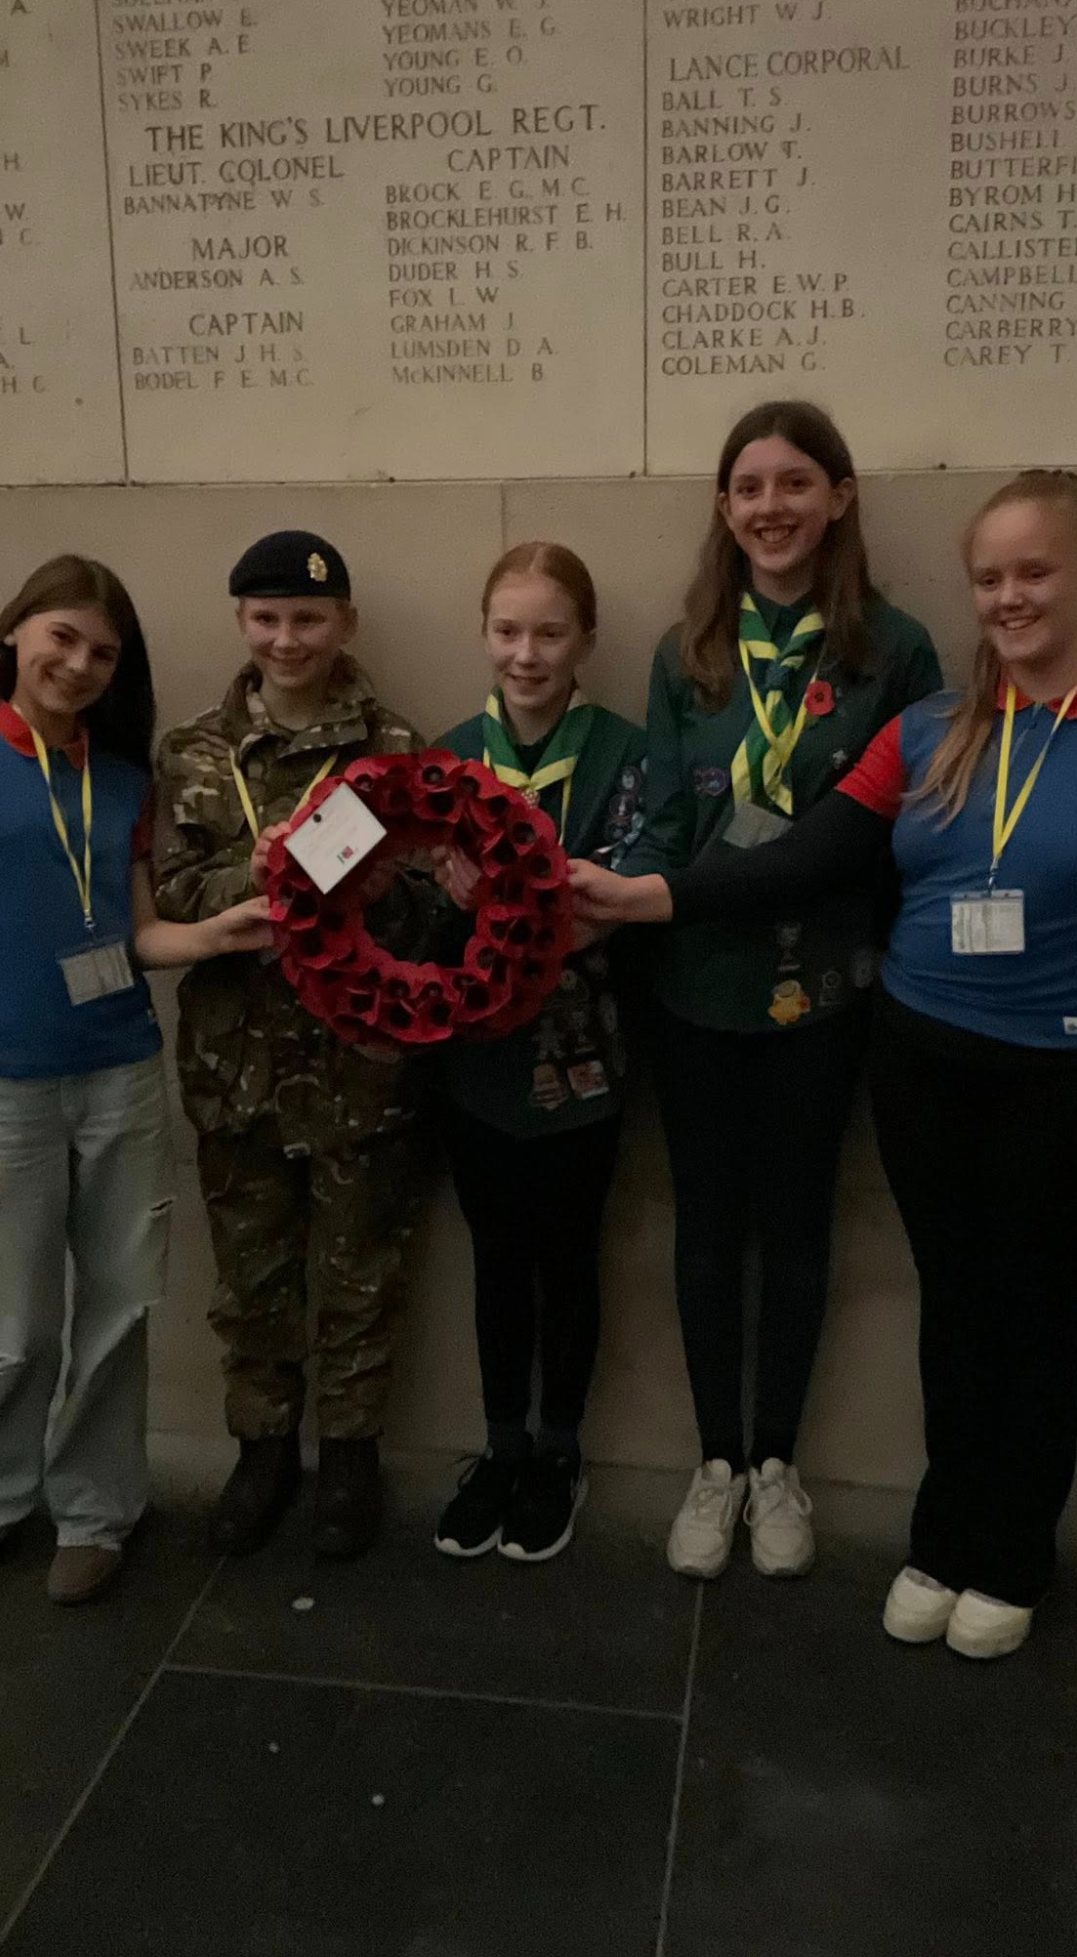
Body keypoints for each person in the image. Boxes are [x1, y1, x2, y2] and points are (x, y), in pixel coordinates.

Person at [570, 469, 1077, 1658]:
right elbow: (810, 858)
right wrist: (649, 894)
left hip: (1073, 1085)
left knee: (1037, 1321)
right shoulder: (931, 729)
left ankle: (1011, 1552)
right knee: (953, 1310)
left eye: (1036, 570)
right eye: (990, 576)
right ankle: (941, 1536)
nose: (1010, 596)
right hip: (924, 1067)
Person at [0, 556, 273, 1606]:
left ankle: (97, 1509)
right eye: (63, 636)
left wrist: (220, 931)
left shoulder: (126, 779)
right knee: (12, 1325)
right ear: (15, 632)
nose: (81, 663)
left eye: (104, 651)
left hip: (120, 1073)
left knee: (118, 1308)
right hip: (0, 1085)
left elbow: (138, 935)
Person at [613, 400, 942, 1581]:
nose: (771, 507)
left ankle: (777, 1462)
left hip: (822, 988)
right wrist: (601, 891)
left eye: (795, 482)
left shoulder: (894, 651)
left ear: (840, 496)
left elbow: (890, 836)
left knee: (799, 1224)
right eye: (748, 486)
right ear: (723, 507)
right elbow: (662, 820)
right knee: (706, 1226)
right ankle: (712, 1462)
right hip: (695, 983)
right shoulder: (683, 651)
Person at [153, 530, 434, 1564]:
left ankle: (349, 1455)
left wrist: (372, 889)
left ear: (344, 622)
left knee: (361, 1273)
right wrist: (257, 875)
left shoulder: (396, 749)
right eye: (267, 618)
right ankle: (262, 1450)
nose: (288, 638)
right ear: (241, 623)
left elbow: (427, 920)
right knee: (252, 1280)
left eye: (309, 618)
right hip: (238, 1069)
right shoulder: (191, 749)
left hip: (360, 1063)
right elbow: (172, 896)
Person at [428, 543, 645, 1563]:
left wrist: (524, 908)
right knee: (495, 1258)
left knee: (568, 1256)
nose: (527, 652)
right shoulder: (444, 761)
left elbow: (631, 901)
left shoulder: (627, 756)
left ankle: (560, 1447)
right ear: (483, 633)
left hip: (584, 1058)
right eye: (508, 630)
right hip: (476, 1064)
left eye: (550, 631)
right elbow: (406, 906)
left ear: (585, 641)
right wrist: (442, 894)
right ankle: (500, 1441)